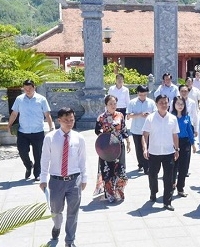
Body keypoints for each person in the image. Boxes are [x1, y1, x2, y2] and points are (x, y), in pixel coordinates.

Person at [39, 107, 86, 247]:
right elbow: (45, 159)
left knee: (73, 212)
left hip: (74, 180)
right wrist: (43, 179)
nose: (69, 123)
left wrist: (84, 178)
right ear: (59, 120)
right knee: (56, 211)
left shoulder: (79, 138)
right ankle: (57, 226)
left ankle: (69, 241)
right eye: (66, 120)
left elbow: (82, 160)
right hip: (56, 181)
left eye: (71, 120)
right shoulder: (50, 138)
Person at [7, 79, 54, 181]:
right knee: (22, 151)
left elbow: (47, 114)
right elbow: (14, 113)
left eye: (29, 88)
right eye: (25, 89)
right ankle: (28, 165)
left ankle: (37, 173)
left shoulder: (41, 99)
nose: (27, 90)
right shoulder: (19, 99)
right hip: (23, 131)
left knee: (38, 154)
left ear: (34, 87)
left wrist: (51, 128)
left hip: (37, 131)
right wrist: (9, 125)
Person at [142, 95, 180, 211]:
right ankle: (153, 192)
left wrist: (177, 149)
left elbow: (175, 135)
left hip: (169, 151)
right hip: (154, 152)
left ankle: (167, 201)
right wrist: (145, 148)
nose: (164, 105)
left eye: (166, 103)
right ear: (156, 104)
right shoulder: (150, 118)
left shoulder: (173, 118)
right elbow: (145, 135)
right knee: (152, 175)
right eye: (161, 103)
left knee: (168, 177)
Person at [95, 95, 131, 203]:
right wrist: (104, 136)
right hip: (106, 148)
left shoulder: (120, 115)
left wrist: (128, 142)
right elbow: (97, 130)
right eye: (110, 103)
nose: (113, 105)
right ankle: (109, 193)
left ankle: (119, 191)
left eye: (115, 103)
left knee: (120, 169)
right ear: (106, 105)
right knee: (107, 169)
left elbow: (124, 130)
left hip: (119, 146)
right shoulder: (101, 117)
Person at [126, 85, 156, 174]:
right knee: (139, 148)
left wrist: (149, 114)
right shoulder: (132, 102)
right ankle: (141, 164)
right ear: (138, 93)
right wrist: (139, 115)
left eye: (144, 94)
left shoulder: (151, 102)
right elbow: (128, 116)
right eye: (141, 94)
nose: (143, 96)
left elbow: (155, 114)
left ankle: (147, 165)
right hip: (136, 129)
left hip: (148, 129)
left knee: (148, 147)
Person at [171, 96, 196, 197]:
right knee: (173, 166)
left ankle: (180, 188)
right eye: (178, 104)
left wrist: (193, 144)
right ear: (174, 105)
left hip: (185, 143)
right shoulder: (171, 117)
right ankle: (172, 184)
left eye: (182, 104)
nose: (180, 106)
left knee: (183, 167)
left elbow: (190, 131)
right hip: (173, 143)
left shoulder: (187, 117)